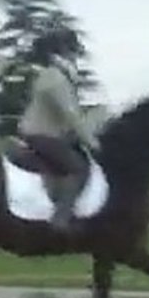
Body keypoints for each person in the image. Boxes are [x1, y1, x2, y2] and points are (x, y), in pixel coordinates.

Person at [17, 26, 100, 232]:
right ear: (64, 51)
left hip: (48, 134)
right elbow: (71, 115)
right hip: (43, 136)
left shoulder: (56, 75)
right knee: (79, 168)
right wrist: (91, 142)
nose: (75, 56)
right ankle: (60, 219)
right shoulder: (55, 78)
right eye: (73, 51)